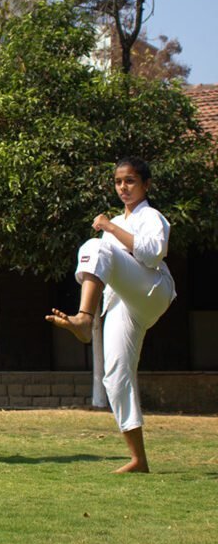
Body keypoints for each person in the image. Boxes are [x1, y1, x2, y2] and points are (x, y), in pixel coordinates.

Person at [46, 157, 176, 473]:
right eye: (118, 182)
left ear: (146, 185)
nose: (123, 188)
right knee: (115, 376)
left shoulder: (152, 217)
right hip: (123, 301)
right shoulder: (115, 221)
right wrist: (111, 228)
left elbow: (152, 254)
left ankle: (83, 318)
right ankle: (138, 459)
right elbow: (103, 272)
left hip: (153, 289)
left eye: (130, 181)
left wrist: (109, 227)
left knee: (96, 245)